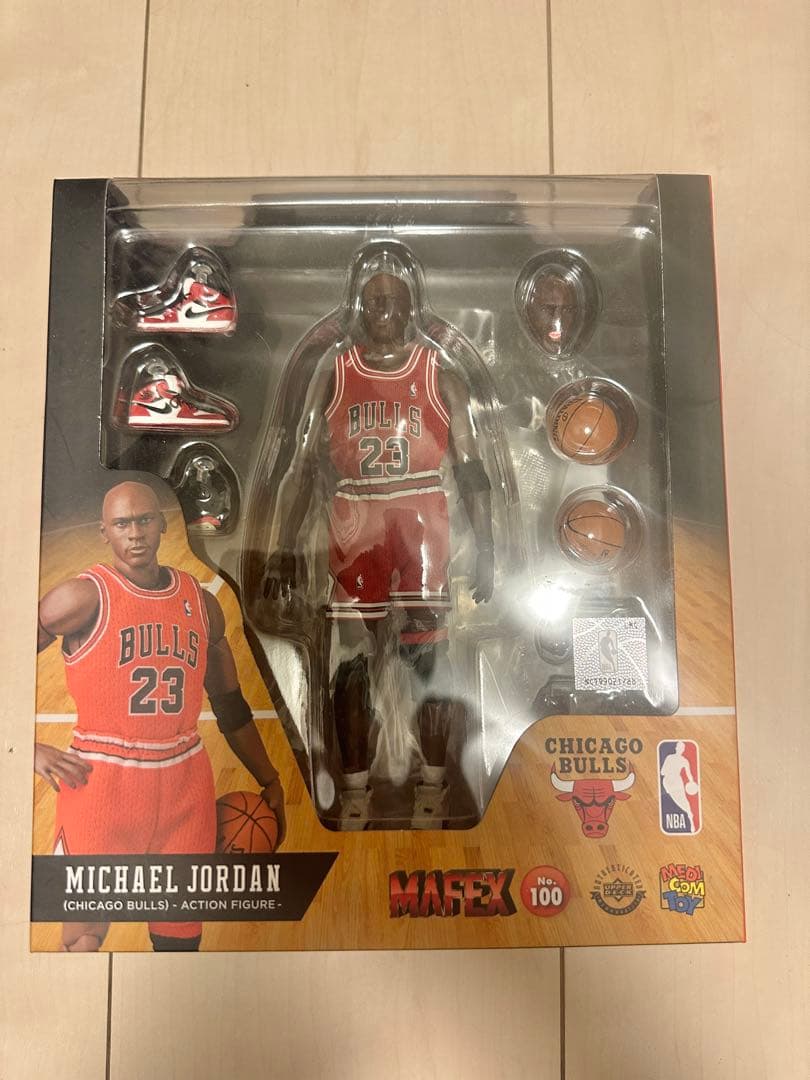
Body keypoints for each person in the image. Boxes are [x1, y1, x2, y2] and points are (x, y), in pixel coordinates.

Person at [263, 261, 494, 829]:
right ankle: (355, 791)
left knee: (426, 660)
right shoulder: (335, 372)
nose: (382, 310)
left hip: (419, 520)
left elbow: (472, 469)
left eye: (393, 300)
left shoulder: (441, 374)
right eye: (372, 300)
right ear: (358, 308)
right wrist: (284, 549)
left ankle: (433, 787)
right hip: (356, 520)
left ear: (411, 307)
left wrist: (488, 545)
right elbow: (300, 464)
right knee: (350, 663)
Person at [35, 480, 285, 952]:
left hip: (183, 785)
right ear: (104, 532)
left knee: (180, 942)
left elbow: (230, 704)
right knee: (82, 938)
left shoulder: (202, 604)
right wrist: (24, 749)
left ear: (164, 525)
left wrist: (268, 778)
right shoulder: (82, 598)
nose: (135, 533)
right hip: (102, 783)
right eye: (122, 524)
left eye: (144, 520)